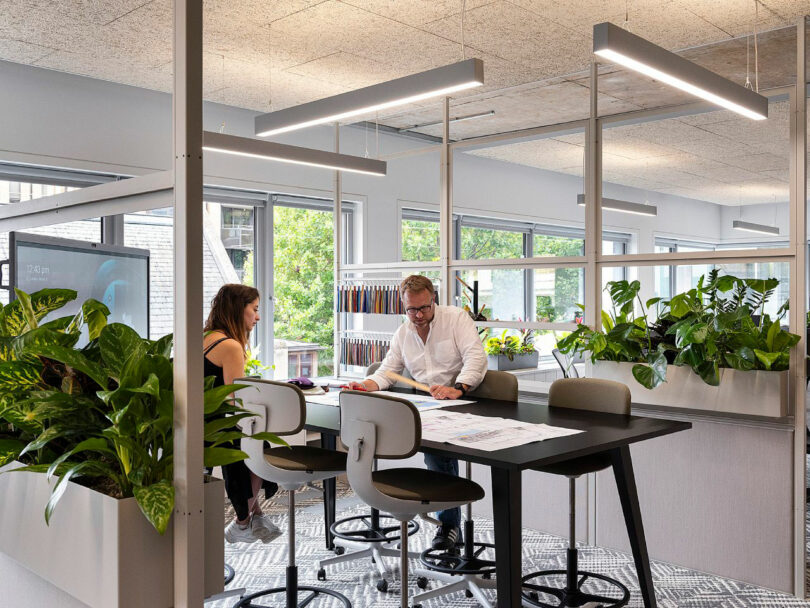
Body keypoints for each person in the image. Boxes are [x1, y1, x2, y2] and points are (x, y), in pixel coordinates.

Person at [347, 274, 487, 551]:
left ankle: (449, 525)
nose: (418, 315)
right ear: (403, 306)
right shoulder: (404, 332)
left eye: (424, 307)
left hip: (463, 400)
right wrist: (366, 385)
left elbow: (476, 356)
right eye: (411, 309)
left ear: (433, 299)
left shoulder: (455, 318)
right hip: (430, 404)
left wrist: (459, 387)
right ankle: (443, 518)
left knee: (437, 455)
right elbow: (389, 371)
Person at [204, 283, 281, 544]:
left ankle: (255, 514)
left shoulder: (204, 337)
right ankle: (243, 520)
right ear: (239, 309)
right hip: (213, 429)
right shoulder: (230, 346)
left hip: (198, 424)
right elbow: (237, 401)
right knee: (261, 446)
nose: (258, 317)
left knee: (249, 438)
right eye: (255, 309)